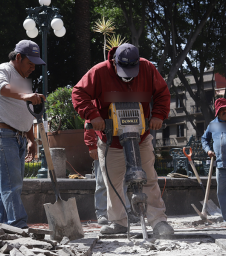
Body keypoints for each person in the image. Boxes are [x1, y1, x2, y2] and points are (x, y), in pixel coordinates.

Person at [72, 43, 173, 236]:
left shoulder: (148, 68)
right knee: (113, 181)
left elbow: (162, 92)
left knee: (149, 177)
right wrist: (93, 115)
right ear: (114, 61)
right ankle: (118, 221)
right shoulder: (100, 72)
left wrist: (159, 114)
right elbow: (78, 93)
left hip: (141, 136)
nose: (128, 74)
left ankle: (159, 221)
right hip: (112, 140)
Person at [0, 40, 45, 229]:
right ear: (18, 57)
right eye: (30, 63)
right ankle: (19, 226)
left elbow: (24, 111)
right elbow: (0, 87)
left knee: (7, 185)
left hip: (18, 137)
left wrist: (31, 139)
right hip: (3, 135)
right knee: (12, 185)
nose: (33, 68)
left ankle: (1, 226)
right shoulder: (3, 70)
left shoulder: (24, 81)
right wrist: (25, 95)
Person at [84, 125, 139, 225]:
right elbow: (90, 122)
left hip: (121, 144)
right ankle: (102, 213)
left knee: (122, 182)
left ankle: (125, 212)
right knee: (102, 182)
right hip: (104, 145)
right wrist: (92, 145)